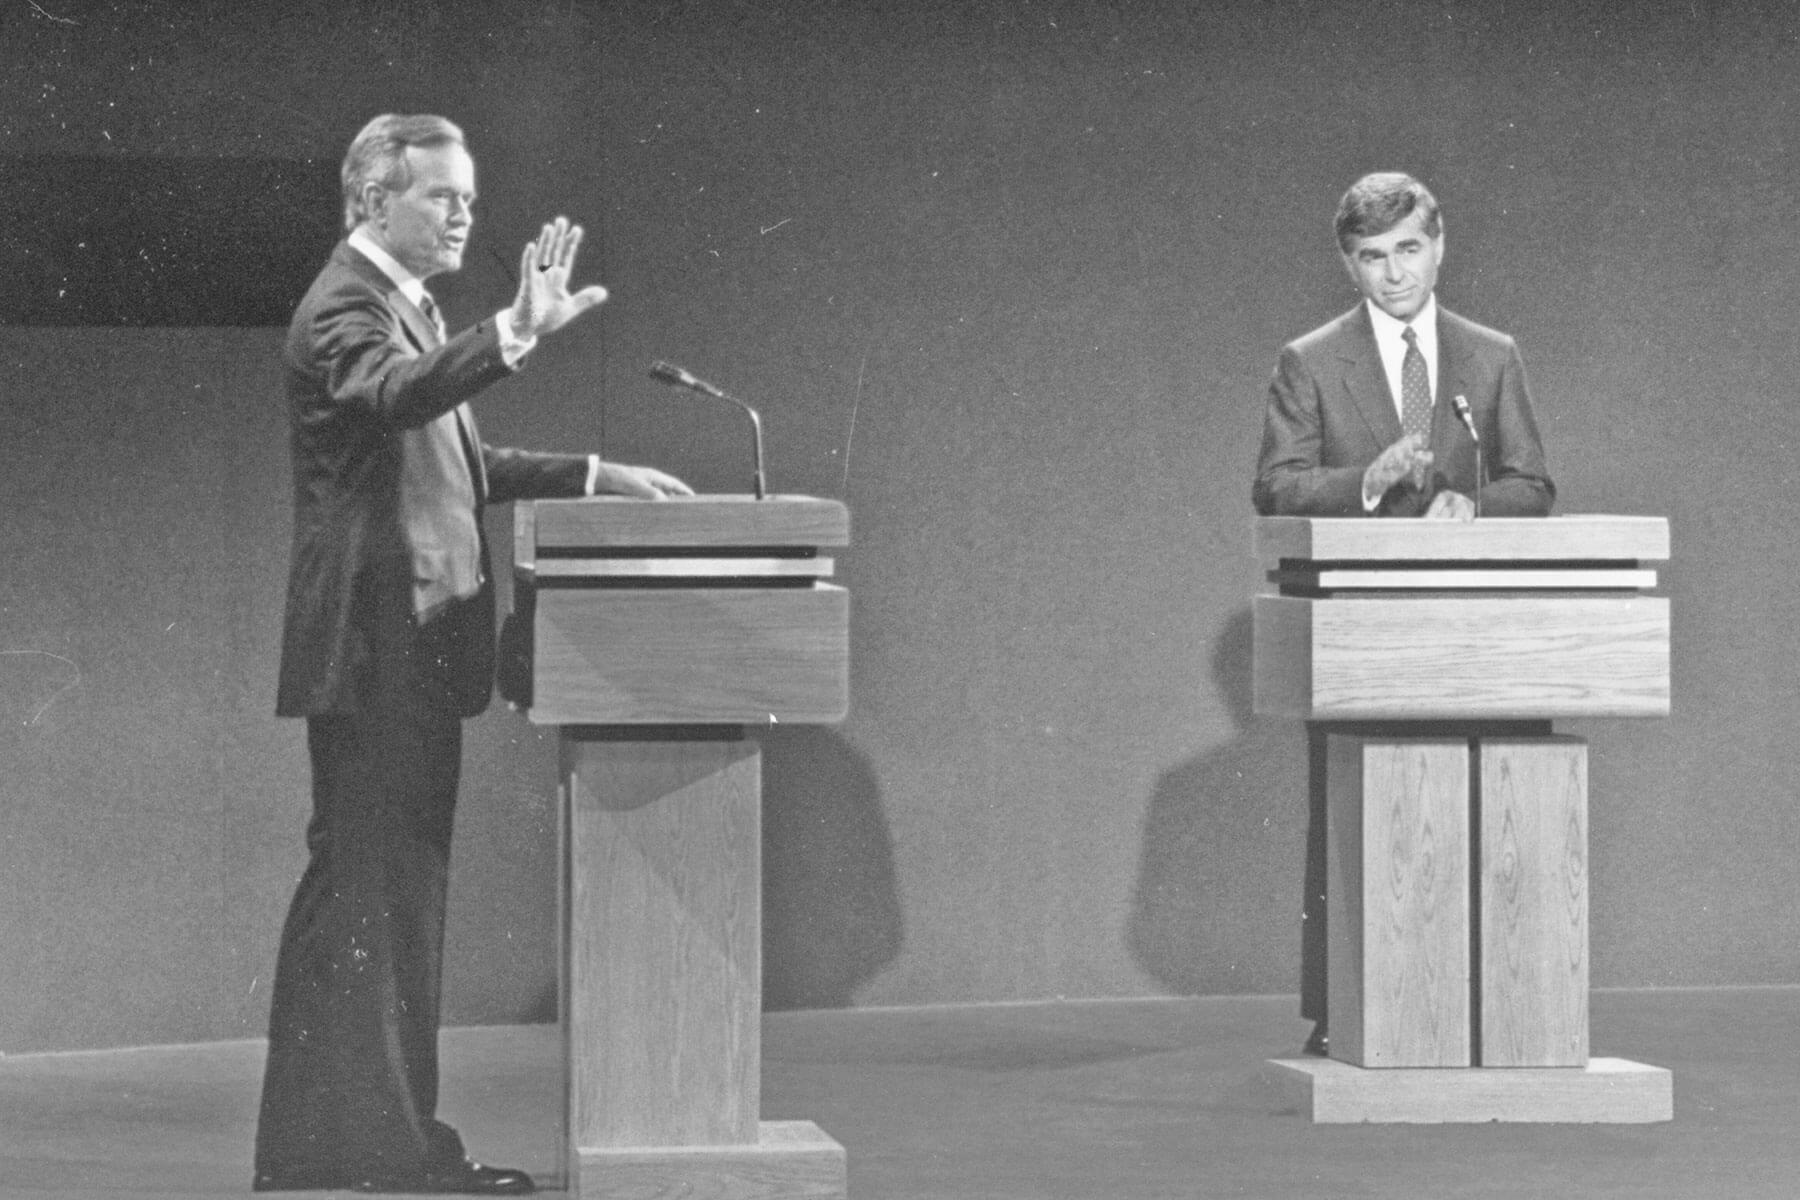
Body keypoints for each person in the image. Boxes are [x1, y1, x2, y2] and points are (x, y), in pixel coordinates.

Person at [253, 113, 692, 1195]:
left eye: (468, 197)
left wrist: (591, 473)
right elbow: (402, 396)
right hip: (376, 655)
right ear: (370, 201)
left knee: (386, 909)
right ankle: (378, 1157)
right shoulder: (344, 309)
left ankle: (355, 1152)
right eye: (441, 195)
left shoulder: (403, 306)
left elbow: (450, 456)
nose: (463, 213)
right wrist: (511, 333)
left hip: (405, 653)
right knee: (372, 907)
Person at [1250, 173, 1556, 1055]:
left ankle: (1500, 1010)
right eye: (1374, 259)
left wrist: (1478, 509)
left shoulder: (1490, 355)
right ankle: (1343, 1013)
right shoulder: (1311, 360)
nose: (1394, 275)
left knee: (1489, 810)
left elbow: (1532, 482)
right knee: (1363, 819)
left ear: (1440, 244)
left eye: (1409, 251)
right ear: (1350, 265)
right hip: (1361, 631)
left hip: (1480, 631)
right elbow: (1275, 486)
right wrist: (1367, 484)